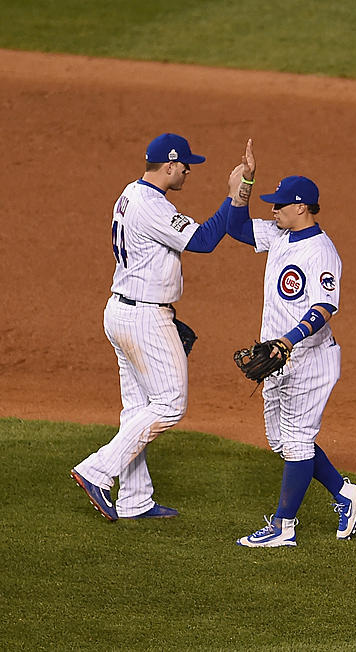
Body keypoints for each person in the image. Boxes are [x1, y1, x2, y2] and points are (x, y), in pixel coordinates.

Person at [70, 133, 232, 521]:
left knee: (137, 409)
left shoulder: (129, 193)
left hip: (122, 310)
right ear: (171, 165)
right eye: (185, 164)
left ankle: (135, 499)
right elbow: (205, 241)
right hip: (145, 316)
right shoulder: (153, 206)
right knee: (170, 404)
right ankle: (96, 469)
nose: (189, 170)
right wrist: (234, 197)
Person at [226, 140, 356, 547]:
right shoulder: (278, 235)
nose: (272, 211)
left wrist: (287, 342)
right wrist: (244, 184)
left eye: (279, 205)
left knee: (297, 440)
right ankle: (348, 495)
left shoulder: (322, 253)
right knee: (283, 440)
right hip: (279, 356)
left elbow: (325, 306)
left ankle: (283, 527)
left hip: (308, 359)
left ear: (301, 207)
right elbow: (236, 227)